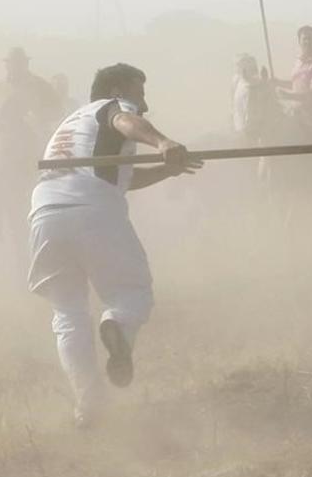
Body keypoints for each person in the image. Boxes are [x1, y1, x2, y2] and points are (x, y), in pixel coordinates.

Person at [28, 63, 201, 427]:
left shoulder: (73, 123)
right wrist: (162, 142)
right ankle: (118, 326)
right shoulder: (113, 108)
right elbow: (126, 123)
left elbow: (119, 177)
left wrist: (164, 171)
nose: (145, 105)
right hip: (92, 209)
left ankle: (88, 406)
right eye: (140, 93)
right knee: (132, 293)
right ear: (120, 91)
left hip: (45, 213)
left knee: (68, 314)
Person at [0, 47, 62, 244]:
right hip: (3, 148)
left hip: (31, 149)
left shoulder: (39, 85)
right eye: (11, 64)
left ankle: (34, 234)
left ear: (25, 64)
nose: (13, 68)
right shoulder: (1, 87)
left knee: (25, 198)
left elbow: (57, 109)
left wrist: (38, 115)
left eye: (17, 63)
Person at [275, 25, 312, 122]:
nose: (307, 42)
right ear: (299, 42)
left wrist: (289, 96)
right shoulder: (299, 63)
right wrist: (278, 82)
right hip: (298, 111)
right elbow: (296, 84)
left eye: (310, 39)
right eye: (304, 39)